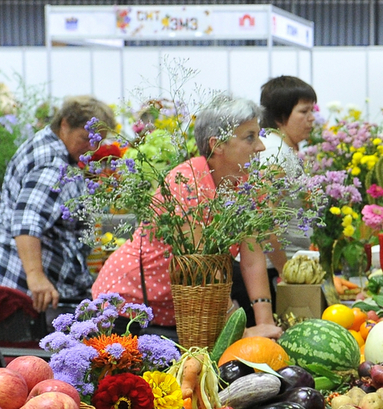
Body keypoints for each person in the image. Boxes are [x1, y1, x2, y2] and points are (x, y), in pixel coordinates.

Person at [92, 96, 282, 340]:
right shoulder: (187, 183)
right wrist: (241, 332)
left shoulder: (244, 184)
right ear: (218, 145)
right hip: (128, 307)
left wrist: (267, 326)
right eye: (250, 137)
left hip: (180, 310)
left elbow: (253, 259)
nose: (261, 147)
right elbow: (201, 267)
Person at [0, 95, 116, 312]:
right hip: (29, 288)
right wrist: (36, 276)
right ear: (64, 124)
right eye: (85, 138)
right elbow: (28, 220)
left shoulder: (47, 144)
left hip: (17, 275)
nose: (92, 147)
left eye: (98, 141)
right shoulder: (54, 164)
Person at [259, 75, 317, 270]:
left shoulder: (281, 148)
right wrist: (286, 272)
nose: (311, 118)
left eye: (312, 110)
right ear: (280, 116)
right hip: (274, 269)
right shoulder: (274, 153)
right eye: (304, 111)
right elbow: (266, 222)